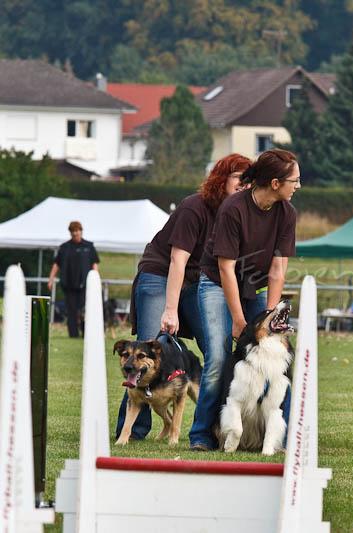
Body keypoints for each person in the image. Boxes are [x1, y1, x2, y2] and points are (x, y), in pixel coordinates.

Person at [113, 153, 252, 440]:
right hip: (159, 275)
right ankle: (133, 432)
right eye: (239, 177)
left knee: (218, 344)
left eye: (248, 180)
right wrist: (170, 310)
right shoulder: (195, 207)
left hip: (196, 282)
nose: (244, 185)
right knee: (148, 348)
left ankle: (214, 427)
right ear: (221, 178)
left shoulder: (236, 213)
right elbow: (177, 260)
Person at [189, 148, 301, 451]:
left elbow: (277, 269)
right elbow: (225, 267)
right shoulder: (233, 208)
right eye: (295, 180)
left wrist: (271, 318)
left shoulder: (287, 213)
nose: (298, 186)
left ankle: (279, 438)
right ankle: (201, 435)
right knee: (219, 357)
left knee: (276, 361)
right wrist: (239, 321)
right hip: (216, 283)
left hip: (256, 286)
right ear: (275, 183)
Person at [48, 221, 99, 338]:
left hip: (85, 285)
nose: (76, 233)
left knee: (85, 310)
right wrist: (51, 279)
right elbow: (56, 264)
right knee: (71, 311)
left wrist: (96, 280)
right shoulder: (64, 247)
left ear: (81, 231)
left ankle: (86, 333)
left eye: (78, 231)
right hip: (69, 285)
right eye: (73, 231)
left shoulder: (89, 246)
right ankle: (73, 334)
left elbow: (94, 264)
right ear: (70, 233)